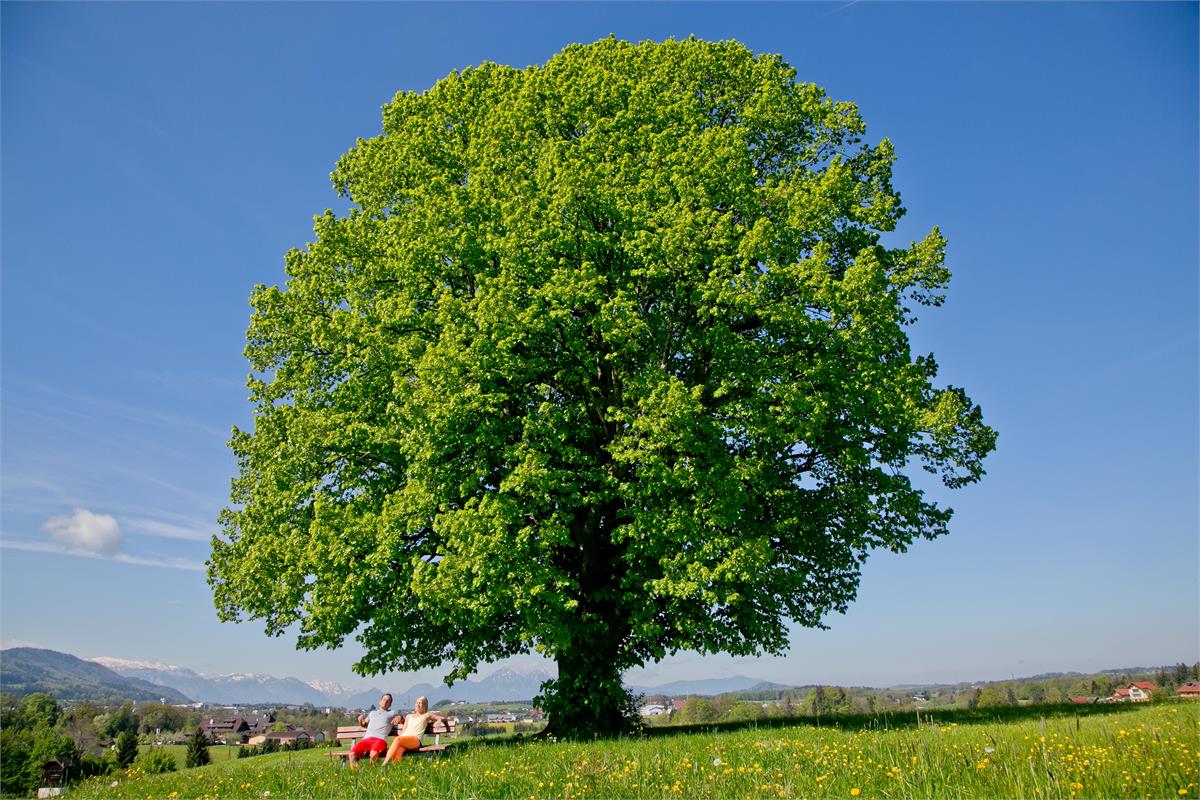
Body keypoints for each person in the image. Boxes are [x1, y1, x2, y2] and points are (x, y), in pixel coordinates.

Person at [383, 696, 446, 763]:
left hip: (416, 740)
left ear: (424, 705)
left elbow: (443, 718)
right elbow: (403, 730)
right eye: (417, 703)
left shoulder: (427, 715)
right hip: (404, 739)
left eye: (420, 703)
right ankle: (395, 769)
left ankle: (384, 764)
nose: (418, 705)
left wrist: (438, 720)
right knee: (399, 750)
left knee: (397, 739)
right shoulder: (409, 716)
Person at [349, 693, 402, 768]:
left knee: (373, 754)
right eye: (384, 700)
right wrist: (360, 721)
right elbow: (364, 724)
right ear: (380, 702)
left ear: (390, 705)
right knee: (351, 755)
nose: (385, 702)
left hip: (379, 740)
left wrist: (399, 717)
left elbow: (402, 718)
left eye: (388, 701)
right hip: (366, 740)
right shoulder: (372, 713)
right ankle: (360, 774)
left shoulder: (392, 713)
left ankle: (374, 774)